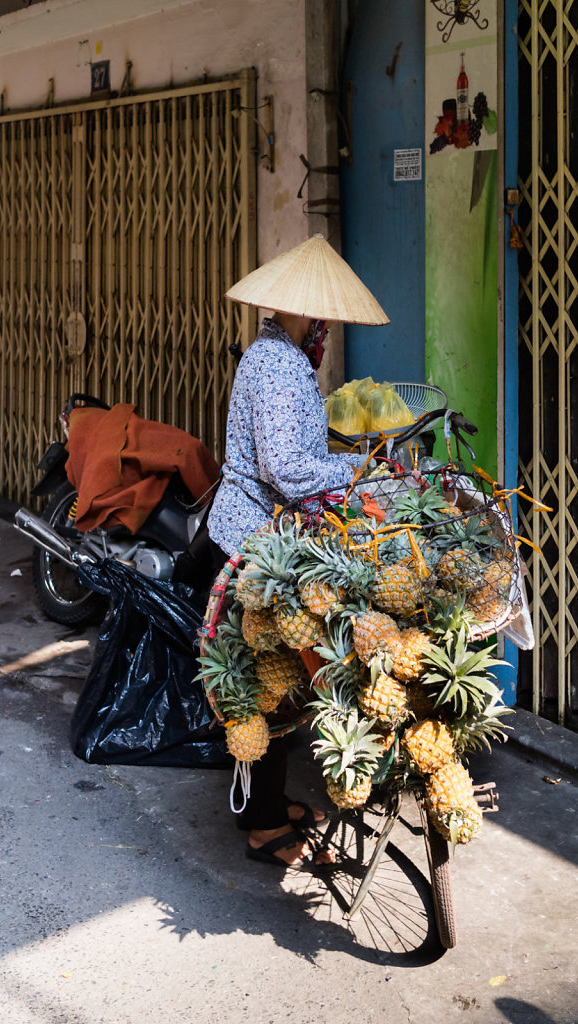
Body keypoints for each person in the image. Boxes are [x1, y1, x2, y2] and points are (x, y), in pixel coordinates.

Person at [207, 233, 388, 870]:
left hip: (262, 531)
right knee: (269, 690)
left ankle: (267, 802)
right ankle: (261, 827)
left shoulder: (274, 353)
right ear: (308, 316)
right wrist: (359, 469)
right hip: (254, 541)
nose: (328, 331)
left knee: (276, 684)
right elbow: (286, 468)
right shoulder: (280, 365)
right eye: (326, 321)